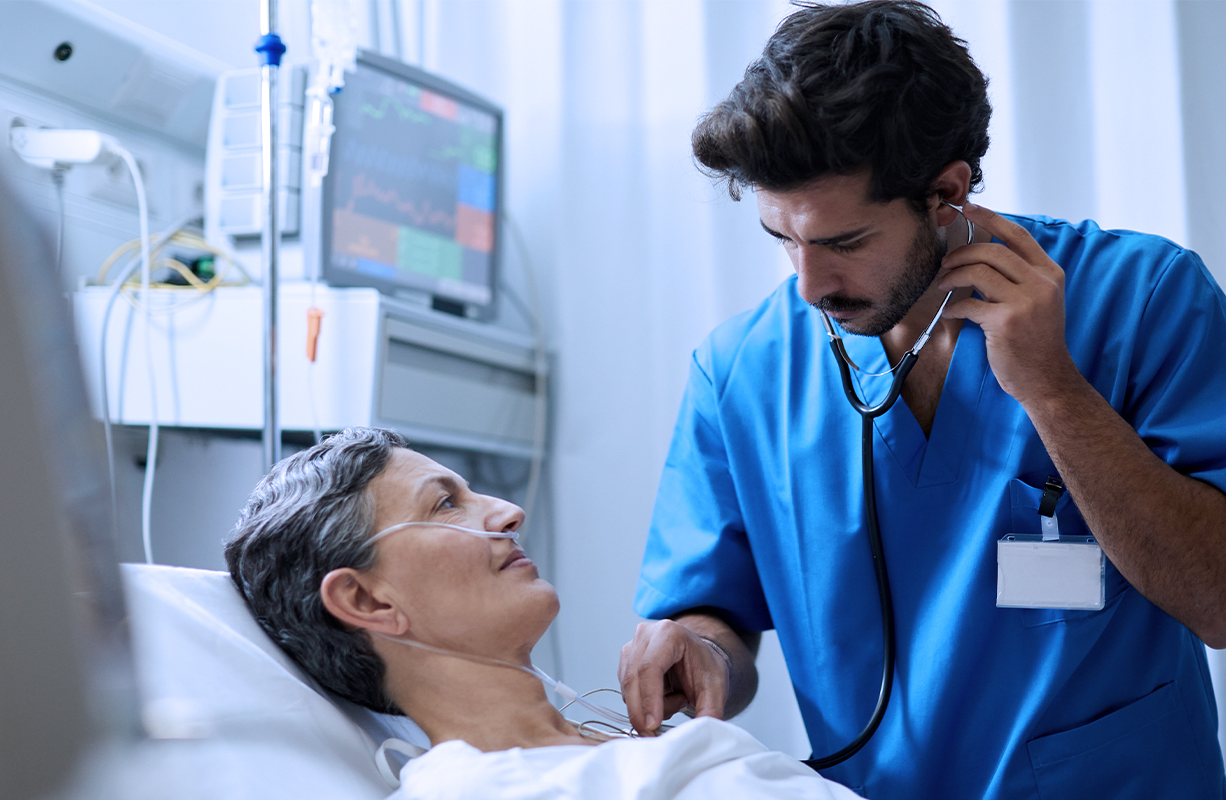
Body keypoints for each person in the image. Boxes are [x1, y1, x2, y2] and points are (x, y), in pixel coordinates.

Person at [619, 2, 1226, 799]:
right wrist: (695, 651)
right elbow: (713, 619)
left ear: (948, 192)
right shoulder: (740, 370)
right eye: (782, 240)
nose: (808, 286)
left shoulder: (1143, 297)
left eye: (843, 244)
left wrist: (1052, 390)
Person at [225, 427, 863, 799]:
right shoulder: (483, 790)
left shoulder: (601, 754)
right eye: (445, 504)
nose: (506, 512)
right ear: (367, 601)